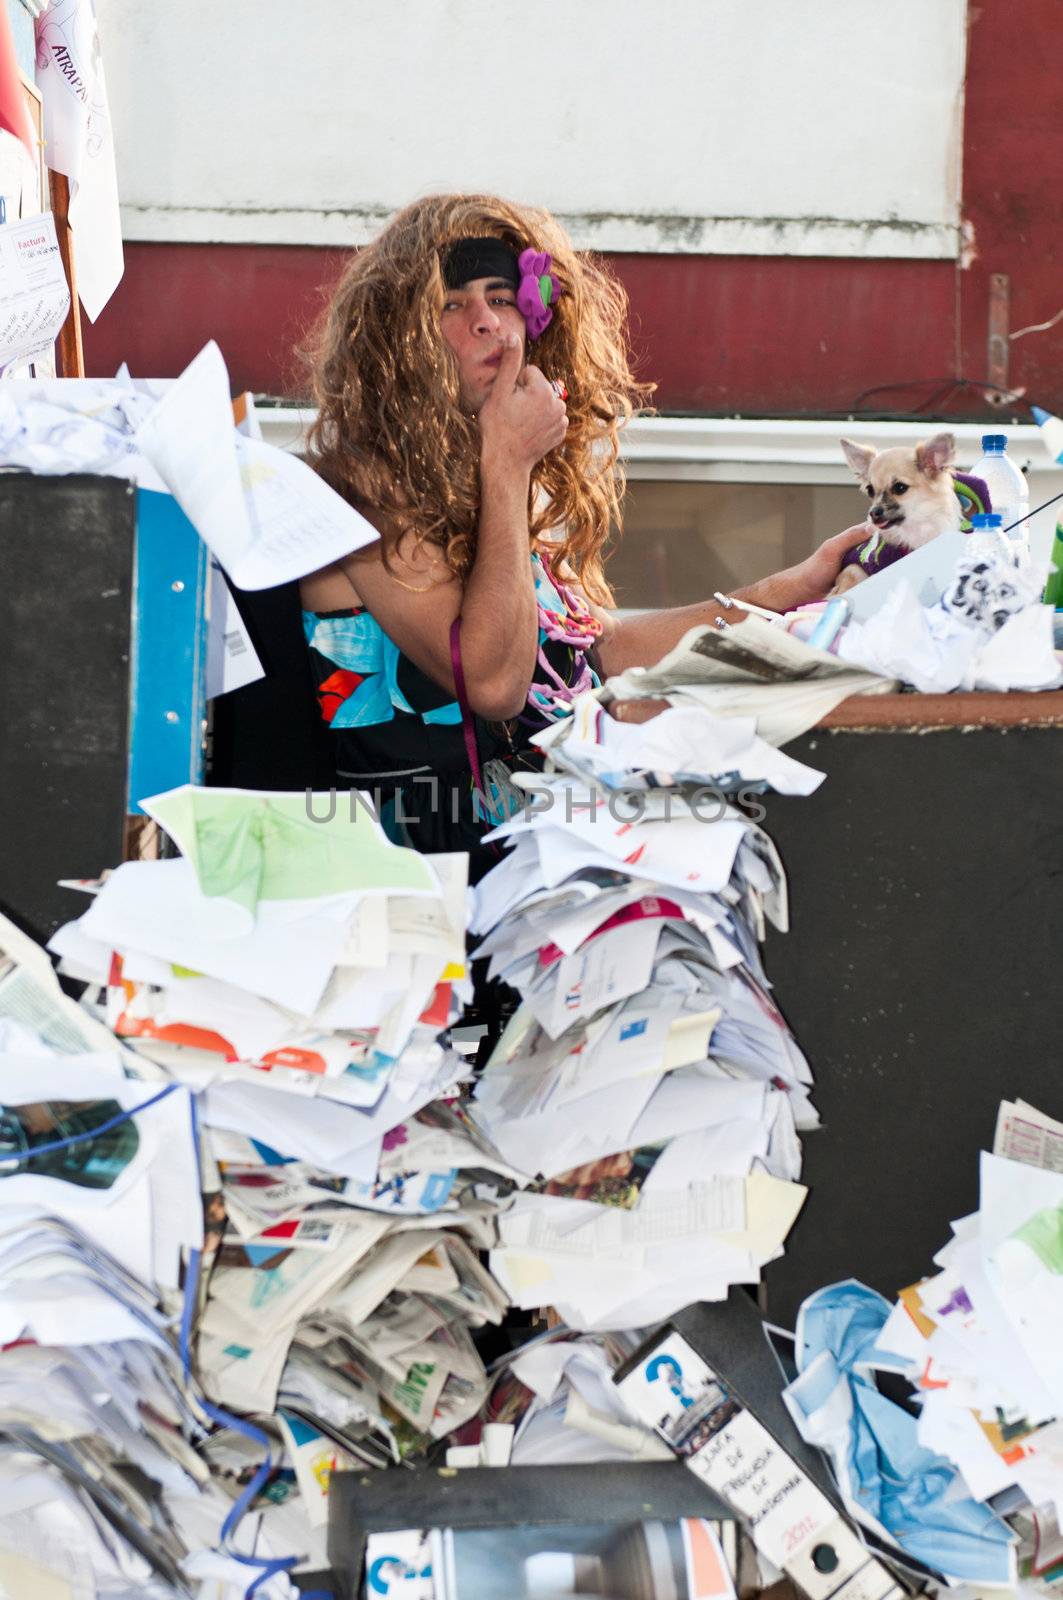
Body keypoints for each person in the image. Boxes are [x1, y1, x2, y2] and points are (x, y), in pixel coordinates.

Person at [299, 193, 869, 880]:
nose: (486, 323)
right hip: (430, 883)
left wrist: (786, 590)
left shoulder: (475, 479)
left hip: (541, 851)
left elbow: (595, 649)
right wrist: (507, 464)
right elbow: (492, 683)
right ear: (401, 337)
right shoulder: (366, 489)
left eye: (501, 297)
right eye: (450, 305)